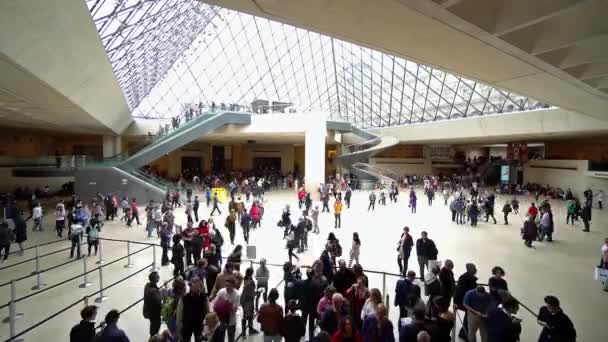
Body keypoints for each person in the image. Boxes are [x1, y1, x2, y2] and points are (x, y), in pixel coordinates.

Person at [176, 276, 209, 342]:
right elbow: (179, 316)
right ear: (190, 286)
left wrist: (207, 328)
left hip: (199, 325)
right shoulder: (184, 298)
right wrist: (179, 331)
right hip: (187, 326)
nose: (197, 288)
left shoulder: (204, 297)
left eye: (199, 285)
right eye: (195, 285)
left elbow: (208, 312)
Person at [454, 263, 478, 341]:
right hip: (464, 302)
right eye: (474, 268)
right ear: (469, 269)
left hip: (469, 301)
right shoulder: (464, 277)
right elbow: (459, 291)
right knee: (469, 317)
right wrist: (456, 302)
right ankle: (465, 333)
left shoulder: (472, 277)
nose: (475, 269)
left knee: (468, 317)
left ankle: (464, 333)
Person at [215, 277, 240, 342]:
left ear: (233, 286)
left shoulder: (236, 294)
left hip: (231, 320)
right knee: (220, 337)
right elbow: (215, 303)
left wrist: (225, 305)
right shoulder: (221, 291)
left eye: (229, 286)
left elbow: (234, 309)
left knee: (231, 338)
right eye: (226, 285)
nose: (227, 287)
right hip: (221, 319)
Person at [240, 268, 260, 336]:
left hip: (245, 299)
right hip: (247, 301)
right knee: (246, 315)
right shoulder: (249, 281)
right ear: (251, 273)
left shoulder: (246, 279)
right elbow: (250, 292)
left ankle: (250, 329)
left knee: (249, 315)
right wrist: (258, 292)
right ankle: (244, 332)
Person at [143, 271, 163, 337]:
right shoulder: (153, 291)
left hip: (149, 311)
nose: (159, 277)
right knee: (155, 328)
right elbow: (159, 300)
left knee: (153, 326)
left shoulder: (147, 285)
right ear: (154, 279)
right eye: (157, 277)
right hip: (154, 314)